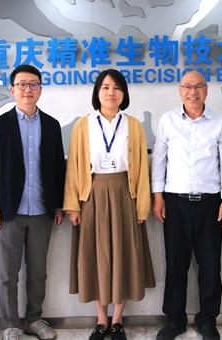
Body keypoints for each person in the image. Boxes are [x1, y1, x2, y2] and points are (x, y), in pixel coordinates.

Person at [63, 69, 155, 340]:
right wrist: (73, 205)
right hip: (92, 194)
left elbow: (142, 168)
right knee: (95, 254)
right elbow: (73, 168)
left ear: (124, 93)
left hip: (126, 193)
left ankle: (117, 320)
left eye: (116, 88)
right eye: (105, 87)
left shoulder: (134, 125)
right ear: (97, 92)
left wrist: (142, 205)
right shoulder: (83, 124)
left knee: (123, 253)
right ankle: (101, 318)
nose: (111, 92)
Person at [0, 65, 65, 340]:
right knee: (8, 274)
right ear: (12, 89)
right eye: (22, 84)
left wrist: (58, 204)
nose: (28, 89)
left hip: (42, 210)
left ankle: (34, 319)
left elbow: (58, 168)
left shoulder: (51, 125)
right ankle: (11, 324)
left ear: (40, 88)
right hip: (9, 211)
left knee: (38, 272)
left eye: (33, 84)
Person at [151, 70, 222, 340]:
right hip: (175, 203)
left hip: (211, 204)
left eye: (198, 86)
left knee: (210, 264)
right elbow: (159, 161)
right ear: (180, 90)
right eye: (187, 86)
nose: (193, 91)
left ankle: (207, 319)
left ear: (206, 90)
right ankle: (174, 320)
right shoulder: (168, 121)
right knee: (176, 264)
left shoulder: (220, 122)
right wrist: (157, 196)